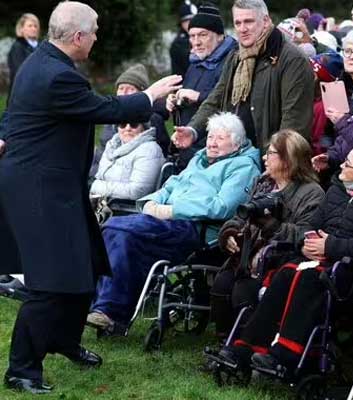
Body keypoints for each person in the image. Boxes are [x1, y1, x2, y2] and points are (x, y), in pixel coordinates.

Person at [0, 2, 181, 394]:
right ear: (78, 37)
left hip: (55, 182)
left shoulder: (45, 62)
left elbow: (17, 116)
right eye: (95, 30)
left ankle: (64, 341)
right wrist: (149, 97)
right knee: (49, 283)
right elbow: (104, 109)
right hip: (40, 188)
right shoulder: (55, 74)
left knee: (84, 264)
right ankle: (22, 369)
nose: (98, 36)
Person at [218, 144, 353, 373]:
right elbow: (309, 227)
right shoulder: (336, 191)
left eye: (347, 164)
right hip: (315, 259)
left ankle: (287, 351)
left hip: (348, 272)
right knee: (285, 273)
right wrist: (306, 244)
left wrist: (329, 246)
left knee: (308, 278)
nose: (340, 165)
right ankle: (247, 347)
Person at [87, 112, 261, 331]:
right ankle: (106, 310)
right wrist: (151, 203)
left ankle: (109, 310)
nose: (212, 143)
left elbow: (222, 206)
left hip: (197, 229)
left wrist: (172, 210)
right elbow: (171, 185)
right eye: (210, 137)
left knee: (120, 229)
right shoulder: (199, 159)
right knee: (115, 230)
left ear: (236, 143)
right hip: (167, 222)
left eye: (220, 138)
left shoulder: (243, 167)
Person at [210, 129, 325, 337]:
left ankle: (245, 345)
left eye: (271, 153)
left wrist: (272, 226)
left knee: (242, 292)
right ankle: (223, 340)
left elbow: (305, 234)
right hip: (245, 257)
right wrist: (229, 233)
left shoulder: (311, 193)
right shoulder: (263, 183)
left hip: (277, 262)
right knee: (221, 285)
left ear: (288, 159)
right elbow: (241, 216)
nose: (265, 157)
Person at [171, 0, 315, 152]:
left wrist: (275, 157)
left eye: (248, 22)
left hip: (270, 159)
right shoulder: (237, 55)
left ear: (265, 21)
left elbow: (293, 122)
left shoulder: (292, 59)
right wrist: (192, 131)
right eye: (237, 23)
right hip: (236, 154)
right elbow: (216, 100)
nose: (242, 29)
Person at [165, 4, 238, 168]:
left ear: (220, 36)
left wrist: (197, 96)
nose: (195, 42)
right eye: (192, 36)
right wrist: (175, 101)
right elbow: (188, 95)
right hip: (189, 145)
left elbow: (232, 100)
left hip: (215, 152)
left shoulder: (233, 61)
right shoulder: (196, 61)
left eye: (202, 35)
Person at [90, 64, 169, 178]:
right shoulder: (111, 117)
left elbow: (159, 155)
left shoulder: (152, 119)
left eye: (130, 89)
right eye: (121, 88)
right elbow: (102, 151)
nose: (124, 93)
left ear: (142, 94)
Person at [90, 120, 166, 201]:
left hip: (123, 207)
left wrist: (94, 186)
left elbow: (138, 191)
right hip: (102, 201)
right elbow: (99, 176)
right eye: (122, 124)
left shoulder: (149, 150)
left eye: (134, 124)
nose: (128, 128)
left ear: (143, 127)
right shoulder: (112, 145)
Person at [7, 13, 40, 101]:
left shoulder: (41, 47)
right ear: (21, 29)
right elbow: (20, 72)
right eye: (30, 26)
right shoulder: (17, 47)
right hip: (21, 95)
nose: (33, 28)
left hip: (39, 93)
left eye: (35, 26)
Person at [170, 0, 197, 77]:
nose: (191, 23)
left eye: (193, 19)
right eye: (187, 21)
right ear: (181, 23)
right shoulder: (178, 44)